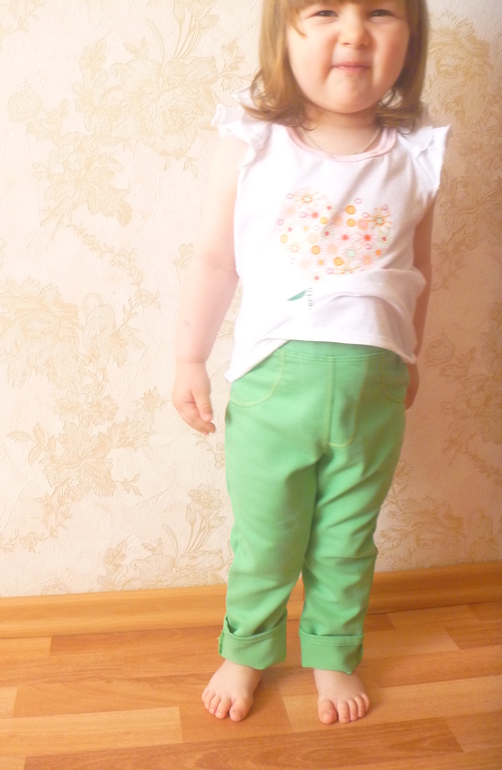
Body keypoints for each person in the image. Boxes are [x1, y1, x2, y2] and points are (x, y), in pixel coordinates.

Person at [173, 0, 447, 726]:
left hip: (373, 388)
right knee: (267, 536)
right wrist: (189, 358)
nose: (353, 30)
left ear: (410, 36)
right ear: (283, 33)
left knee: (347, 538)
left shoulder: (415, 154)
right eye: (324, 9)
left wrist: (411, 355)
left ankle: (333, 649)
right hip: (273, 385)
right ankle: (247, 647)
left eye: (379, 11)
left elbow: (418, 272)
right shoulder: (253, 143)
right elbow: (214, 259)